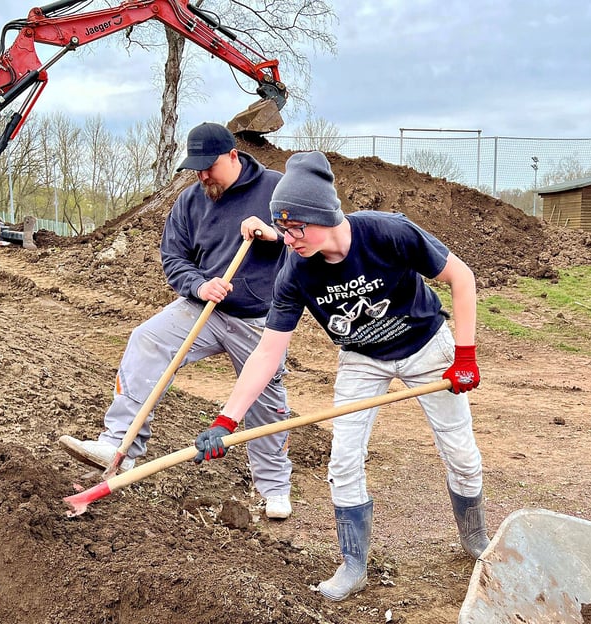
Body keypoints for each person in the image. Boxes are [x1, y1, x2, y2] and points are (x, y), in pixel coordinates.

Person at [191, 150, 489, 601]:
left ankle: (475, 541)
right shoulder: (295, 272)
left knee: (462, 455)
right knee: (343, 462)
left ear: (324, 216)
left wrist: (464, 356)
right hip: (362, 358)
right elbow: (268, 351)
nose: (287, 238)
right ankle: (353, 564)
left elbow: (461, 278)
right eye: (283, 228)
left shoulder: (387, 232)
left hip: (427, 347)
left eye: (295, 228)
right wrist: (226, 420)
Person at [59, 122, 295, 519]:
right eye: (196, 168)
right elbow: (174, 259)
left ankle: (273, 488)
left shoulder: (276, 188)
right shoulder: (190, 200)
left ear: (234, 155)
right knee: (147, 339)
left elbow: (310, 240)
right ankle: (121, 446)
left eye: (209, 166)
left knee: (263, 395)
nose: (203, 175)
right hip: (203, 308)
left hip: (259, 318)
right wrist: (200, 286)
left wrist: (274, 234)